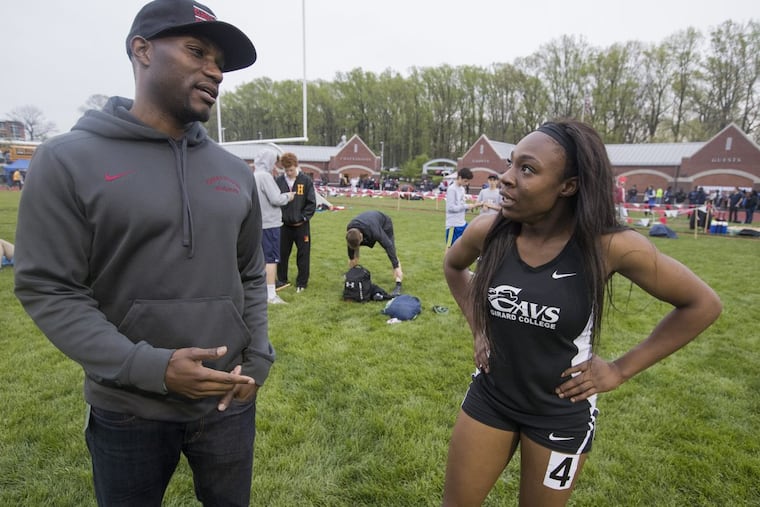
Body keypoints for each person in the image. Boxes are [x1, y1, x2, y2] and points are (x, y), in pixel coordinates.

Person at [13, 1, 275, 505]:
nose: (215, 71)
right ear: (142, 51)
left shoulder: (234, 172)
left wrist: (258, 359)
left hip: (228, 402)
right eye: (197, 51)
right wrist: (146, 367)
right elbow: (50, 289)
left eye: (219, 62)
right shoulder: (67, 160)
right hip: (128, 407)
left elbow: (248, 275)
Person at [442, 119, 721, 506]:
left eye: (527, 169)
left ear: (568, 186)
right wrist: (479, 330)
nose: (505, 178)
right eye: (510, 163)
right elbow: (454, 267)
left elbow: (702, 304)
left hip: (560, 413)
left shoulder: (610, 246)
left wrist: (620, 370)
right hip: (491, 396)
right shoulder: (488, 231)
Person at [253, 149, 295, 304]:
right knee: (271, 259)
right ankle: (271, 295)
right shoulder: (265, 177)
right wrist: (288, 197)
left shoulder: (254, 175)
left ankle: (261, 291)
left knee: (261, 259)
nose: (276, 165)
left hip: (258, 223)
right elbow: (276, 199)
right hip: (270, 224)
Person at [276, 152, 316, 293]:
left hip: (301, 227)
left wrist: (303, 217)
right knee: (282, 254)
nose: (289, 173)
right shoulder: (279, 181)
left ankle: (302, 283)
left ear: (296, 166)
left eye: (291, 170)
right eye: (286, 170)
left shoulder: (306, 181)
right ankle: (281, 280)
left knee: (303, 255)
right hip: (284, 226)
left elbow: (311, 203)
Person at [346, 210, 403, 296]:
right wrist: (351, 259)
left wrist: (396, 266)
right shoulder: (350, 230)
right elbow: (351, 246)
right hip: (367, 223)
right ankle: (353, 275)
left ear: (361, 237)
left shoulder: (375, 231)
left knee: (392, 252)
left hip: (384, 224)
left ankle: (398, 284)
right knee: (353, 254)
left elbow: (388, 246)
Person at [445, 168, 483, 248]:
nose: (467, 183)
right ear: (459, 177)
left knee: (470, 244)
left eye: (468, 181)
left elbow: (461, 206)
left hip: (462, 223)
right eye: (465, 181)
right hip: (453, 225)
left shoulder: (462, 189)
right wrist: (467, 206)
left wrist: (473, 206)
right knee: (451, 250)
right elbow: (451, 208)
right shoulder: (452, 189)